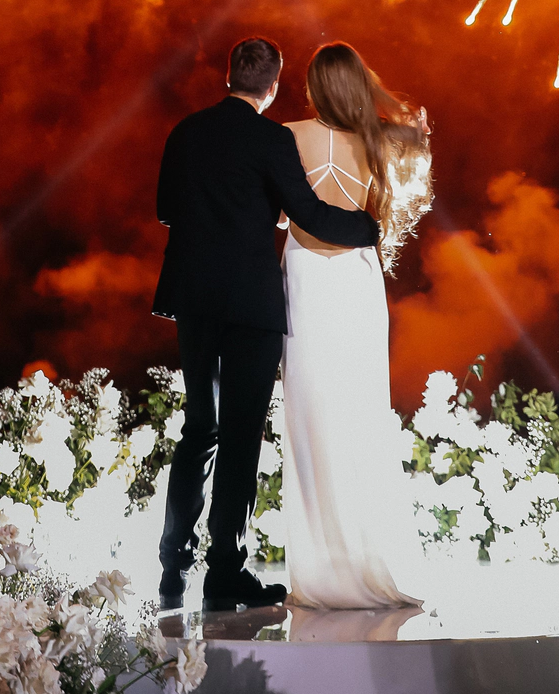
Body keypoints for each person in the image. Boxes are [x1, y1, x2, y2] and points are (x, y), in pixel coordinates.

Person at [153, 36, 380, 613]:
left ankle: (173, 564)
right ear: (274, 87)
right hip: (250, 305)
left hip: (194, 299)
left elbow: (165, 210)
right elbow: (308, 214)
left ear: (228, 75)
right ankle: (225, 574)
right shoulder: (273, 139)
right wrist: (371, 229)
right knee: (240, 436)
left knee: (199, 427)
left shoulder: (185, 132)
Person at [279, 41, 433, 610]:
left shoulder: (288, 136)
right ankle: (367, 555)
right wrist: (407, 123)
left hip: (305, 276)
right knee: (359, 411)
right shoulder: (380, 139)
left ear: (315, 88)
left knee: (308, 413)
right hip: (355, 278)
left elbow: (280, 212)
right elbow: (410, 155)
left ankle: (320, 566)